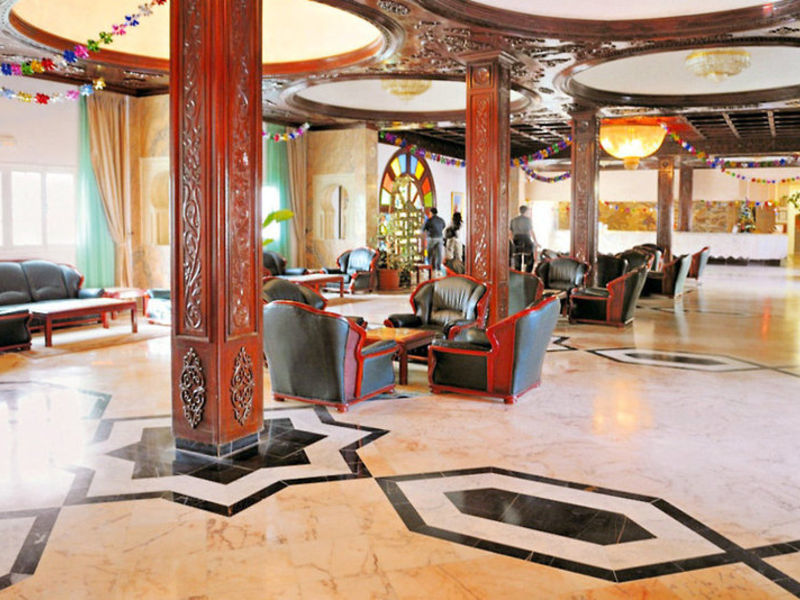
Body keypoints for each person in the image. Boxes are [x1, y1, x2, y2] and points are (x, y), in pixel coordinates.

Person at [510, 205, 538, 272]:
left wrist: (512, 241)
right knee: (529, 259)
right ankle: (527, 273)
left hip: (516, 239)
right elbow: (531, 231)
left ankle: (518, 272)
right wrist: (535, 241)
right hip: (526, 239)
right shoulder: (528, 220)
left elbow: (510, 232)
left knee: (517, 258)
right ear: (526, 211)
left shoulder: (513, 220)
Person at [422, 207, 446, 275]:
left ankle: (428, 268)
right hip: (440, 238)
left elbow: (423, 229)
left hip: (432, 238)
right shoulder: (441, 220)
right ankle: (438, 269)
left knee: (430, 253)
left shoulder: (429, 220)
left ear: (431, 213)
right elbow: (443, 226)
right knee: (439, 254)